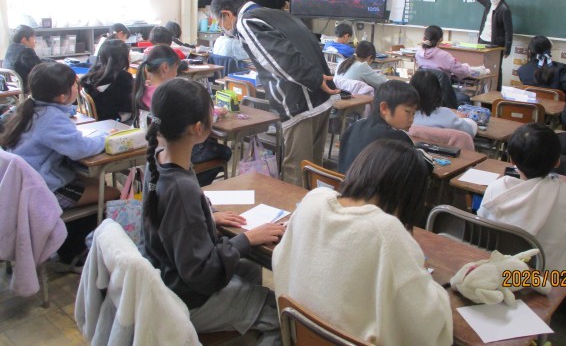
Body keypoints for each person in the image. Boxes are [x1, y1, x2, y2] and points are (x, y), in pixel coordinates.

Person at [142, 78, 284, 343]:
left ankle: (243, 323)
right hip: (187, 297)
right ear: (198, 128)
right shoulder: (181, 189)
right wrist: (247, 239)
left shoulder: (157, 159)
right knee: (282, 317)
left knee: (250, 270)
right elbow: (202, 273)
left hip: (165, 274)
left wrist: (207, 216)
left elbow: (174, 222)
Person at [273, 139, 452, 346]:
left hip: (301, 337)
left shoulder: (314, 199)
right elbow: (428, 324)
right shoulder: (386, 232)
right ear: (409, 196)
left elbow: (281, 259)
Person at [211, 0, 339, 187]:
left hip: (299, 102)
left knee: (296, 169)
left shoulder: (246, 22)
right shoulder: (276, 14)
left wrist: (313, 78)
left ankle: (293, 207)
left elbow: (280, 59)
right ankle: (314, 204)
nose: (222, 28)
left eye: (220, 23)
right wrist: (316, 78)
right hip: (320, 98)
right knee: (313, 168)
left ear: (227, 14)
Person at [0, 62, 120, 269]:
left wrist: (69, 110)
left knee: (91, 181)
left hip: (22, 186)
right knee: (111, 192)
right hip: (41, 190)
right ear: (62, 96)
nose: (78, 87)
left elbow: (59, 121)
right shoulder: (50, 120)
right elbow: (81, 149)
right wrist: (107, 137)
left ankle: (68, 246)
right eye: (74, 84)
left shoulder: (30, 107)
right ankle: (74, 253)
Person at [478, 122, 566, 272]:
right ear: (557, 161)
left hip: (503, 271)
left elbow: (482, 219)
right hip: (549, 277)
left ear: (512, 160)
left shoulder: (495, 188)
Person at [132, 45, 231, 184]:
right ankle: (195, 183)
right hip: (172, 147)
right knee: (224, 152)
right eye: (176, 69)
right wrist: (214, 111)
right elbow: (190, 111)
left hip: (154, 147)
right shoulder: (168, 95)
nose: (176, 74)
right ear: (165, 67)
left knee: (209, 143)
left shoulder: (142, 90)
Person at [338, 81, 421, 174]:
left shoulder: (355, 126)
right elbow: (421, 165)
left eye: (414, 113)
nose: (411, 119)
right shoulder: (399, 138)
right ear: (384, 108)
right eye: (408, 111)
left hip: (343, 182)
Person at [470, 0, 513, 90]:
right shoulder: (489, 3)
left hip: (495, 43)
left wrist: (507, 49)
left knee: (496, 68)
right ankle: (480, 90)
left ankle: (496, 90)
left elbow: (508, 31)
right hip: (482, 40)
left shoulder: (504, 9)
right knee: (480, 66)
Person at [410, 69, 477, 137]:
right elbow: (471, 131)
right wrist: (464, 119)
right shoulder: (446, 116)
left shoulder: (406, 117)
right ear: (438, 92)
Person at [80, 39, 134, 122]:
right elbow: (128, 105)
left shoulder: (92, 72)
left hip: (95, 117)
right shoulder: (122, 77)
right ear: (123, 58)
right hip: (114, 119)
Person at [3, 25, 45, 90]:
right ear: (24, 40)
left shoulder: (11, 48)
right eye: (33, 38)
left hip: (13, 86)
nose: (35, 41)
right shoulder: (26, 50)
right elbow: (40, 68)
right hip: (26, 87)